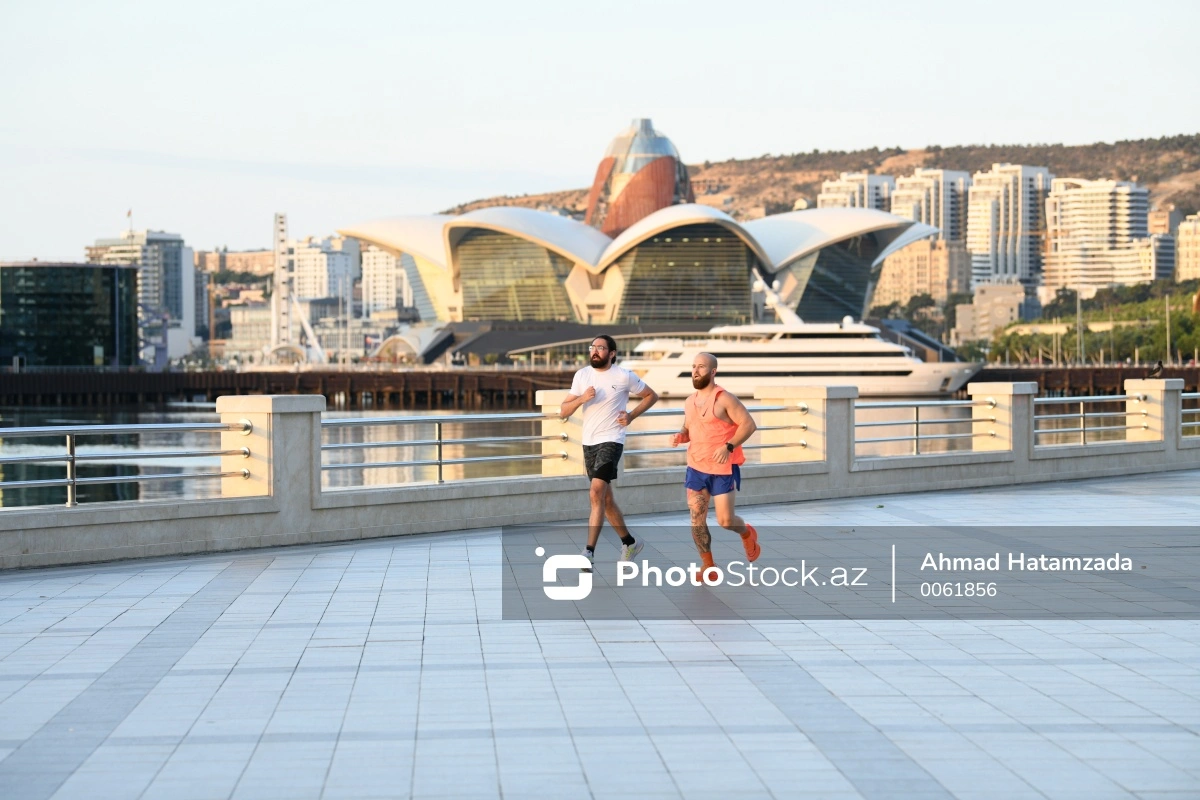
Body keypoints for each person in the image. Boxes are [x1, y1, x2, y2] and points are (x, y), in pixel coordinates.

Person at [560, 335, 659, 571]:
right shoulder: (582, 375)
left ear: (612, 353)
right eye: (592, 347)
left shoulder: (624, 376)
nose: (595, 351)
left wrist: (631, 416)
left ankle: (588, 552)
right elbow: (563, 410)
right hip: (589, 442)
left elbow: (651, 396)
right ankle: (630, 542)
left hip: (612, 439)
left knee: (595, 492)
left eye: (600, 348)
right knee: (605, 498)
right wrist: (582, 399)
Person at [670, 352, 760, 582]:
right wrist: (681, 436)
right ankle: (709, 566)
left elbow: (749, 425)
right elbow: (688, 427)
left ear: (713, 372)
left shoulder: (724, 399)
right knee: (696, 518)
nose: (696, 370)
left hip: (722, 469)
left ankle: (747, 533)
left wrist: (728, 446)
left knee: (725, 521)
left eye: (701, 367)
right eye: (693, 366)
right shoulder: (690, 401)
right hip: (696, 468)